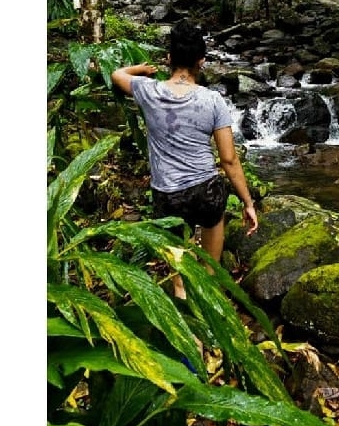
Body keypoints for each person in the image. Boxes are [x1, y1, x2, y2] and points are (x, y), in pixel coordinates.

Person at [111, 19, 258, 299]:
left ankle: (184, 311)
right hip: (206, 192)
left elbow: (118, 74)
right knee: (209, 267)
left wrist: (141, 69)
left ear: (169, 58)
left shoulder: (147, 90)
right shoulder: (213, 100)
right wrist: (248, 203)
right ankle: (208, 310)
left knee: (178, 270)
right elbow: (228, 160)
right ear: (201, 61)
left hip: (168, 195)